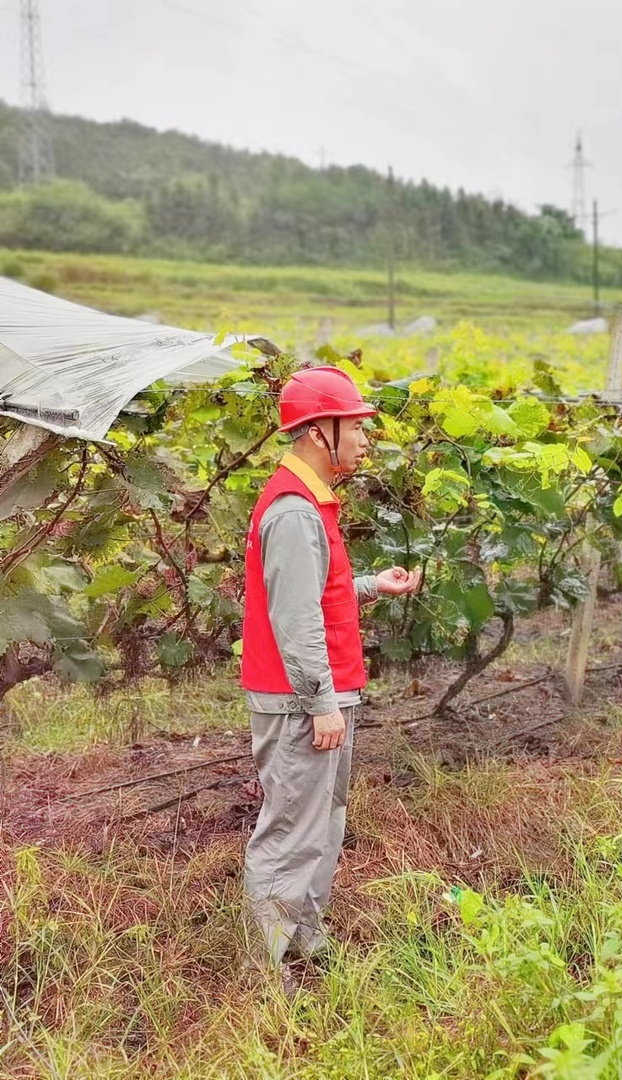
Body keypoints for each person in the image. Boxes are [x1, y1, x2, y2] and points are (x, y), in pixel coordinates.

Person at [240, 365, 421, 974]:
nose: (367, 438)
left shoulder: (309, 501)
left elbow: (315, 593)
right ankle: (265, 971)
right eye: (358, 426)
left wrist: (372, 584)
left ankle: (302, 944)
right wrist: (320, 703)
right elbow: (295, 622)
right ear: (321, 432)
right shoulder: (293, 511)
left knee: (322, 825)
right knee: (292, 830)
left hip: (321, 694)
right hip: (302, 700)